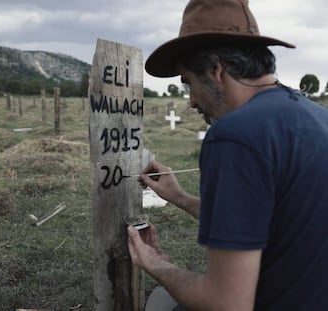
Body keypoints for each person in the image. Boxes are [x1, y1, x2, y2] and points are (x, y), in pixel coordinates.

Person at [127, 0, 328, 310]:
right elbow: (267, 220)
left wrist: (155, 264)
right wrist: (179, 197)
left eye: (189, 84)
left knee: (158, 302)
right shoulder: (316, 117)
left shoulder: (235, 135)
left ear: (215, 70)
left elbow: (226, 303)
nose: (192, 102)